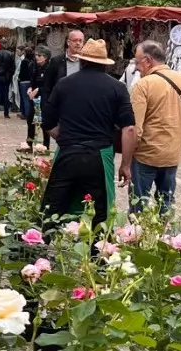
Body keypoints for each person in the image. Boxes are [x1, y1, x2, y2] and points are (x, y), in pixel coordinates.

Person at [40, 39, 135, 228]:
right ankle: (96, 253)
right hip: (99, 154)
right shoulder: (117, 88)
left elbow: (48, 122)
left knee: (52, 208)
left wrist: (66, 138)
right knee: (100, 212)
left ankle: (40, 249)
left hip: (67, 152)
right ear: (104, 64)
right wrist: (125, 164)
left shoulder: (64, 84)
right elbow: (129, 129)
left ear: (81, 61)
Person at [129, 40, 181, 215]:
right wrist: (179, 146)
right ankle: (165, 237)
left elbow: (136, 128)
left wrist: (128, 156)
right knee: (166, 201)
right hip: (172, 155)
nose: (136, 67)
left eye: (137, 62)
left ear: (147, 60)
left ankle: (138, 239)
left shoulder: (142, 85)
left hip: (145, 154)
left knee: (139, 203)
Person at [41, 29, 85, 105]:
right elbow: (47, 86)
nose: (78, 43)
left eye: (80, 41)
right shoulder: (56, 62)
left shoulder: (85, 62)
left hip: (80, 105)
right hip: (60, 105)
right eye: (75, 40)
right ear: (68, 42)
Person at [22, 46, 52, 151]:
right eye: (36, 55)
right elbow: (32, 80)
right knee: (30, 119)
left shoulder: (50, 68)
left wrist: (38, 90)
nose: (37, 57)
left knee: (43, 122)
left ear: (46, 57)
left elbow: (50, 85)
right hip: (34, 98)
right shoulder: (34, 66)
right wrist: (30, 88)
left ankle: (46, 145)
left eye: (39, 55)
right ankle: (29, 143)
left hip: (44, 98)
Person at [17, 48, 35, 128]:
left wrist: (19, 78)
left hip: (24, 81)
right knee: (29, 98)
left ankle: (26, 114)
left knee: (25, 98)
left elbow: (21, 72)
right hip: (30, 81)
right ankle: (27, 113)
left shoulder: (24, 61)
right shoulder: (33, 61)